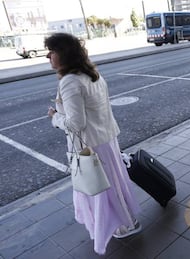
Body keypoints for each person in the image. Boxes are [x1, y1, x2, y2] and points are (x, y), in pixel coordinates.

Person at [45, 32, 141, 255]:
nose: (48, 56)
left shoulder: (69, 81)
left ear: (64, 53)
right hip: (106, 139)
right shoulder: (92, 73)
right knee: (114, 184)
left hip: (91, 146)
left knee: (98, 189)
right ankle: (127, 221)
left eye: (52, 51)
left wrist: (54, 117)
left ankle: (119, 226)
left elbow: (76, 123)